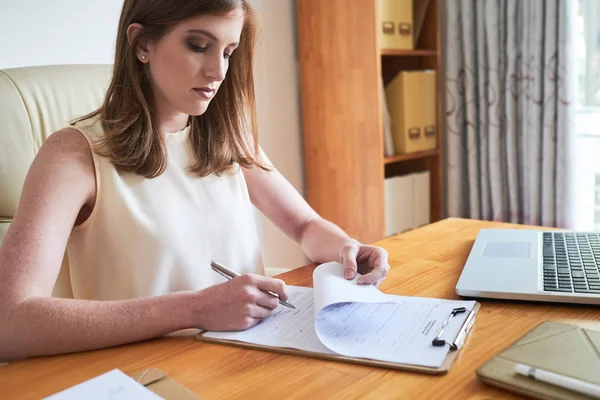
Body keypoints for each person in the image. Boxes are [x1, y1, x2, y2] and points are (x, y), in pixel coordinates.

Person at [0, 0, 389, 362]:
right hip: (144, 375)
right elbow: (10, 321)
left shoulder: (225, 138)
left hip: (244, 362)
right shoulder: (73, 155)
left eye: (228, 52)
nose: (218, 72)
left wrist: (345, 247)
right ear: (141, 44)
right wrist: (194, 308)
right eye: (198, 45)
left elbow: (304, 225)